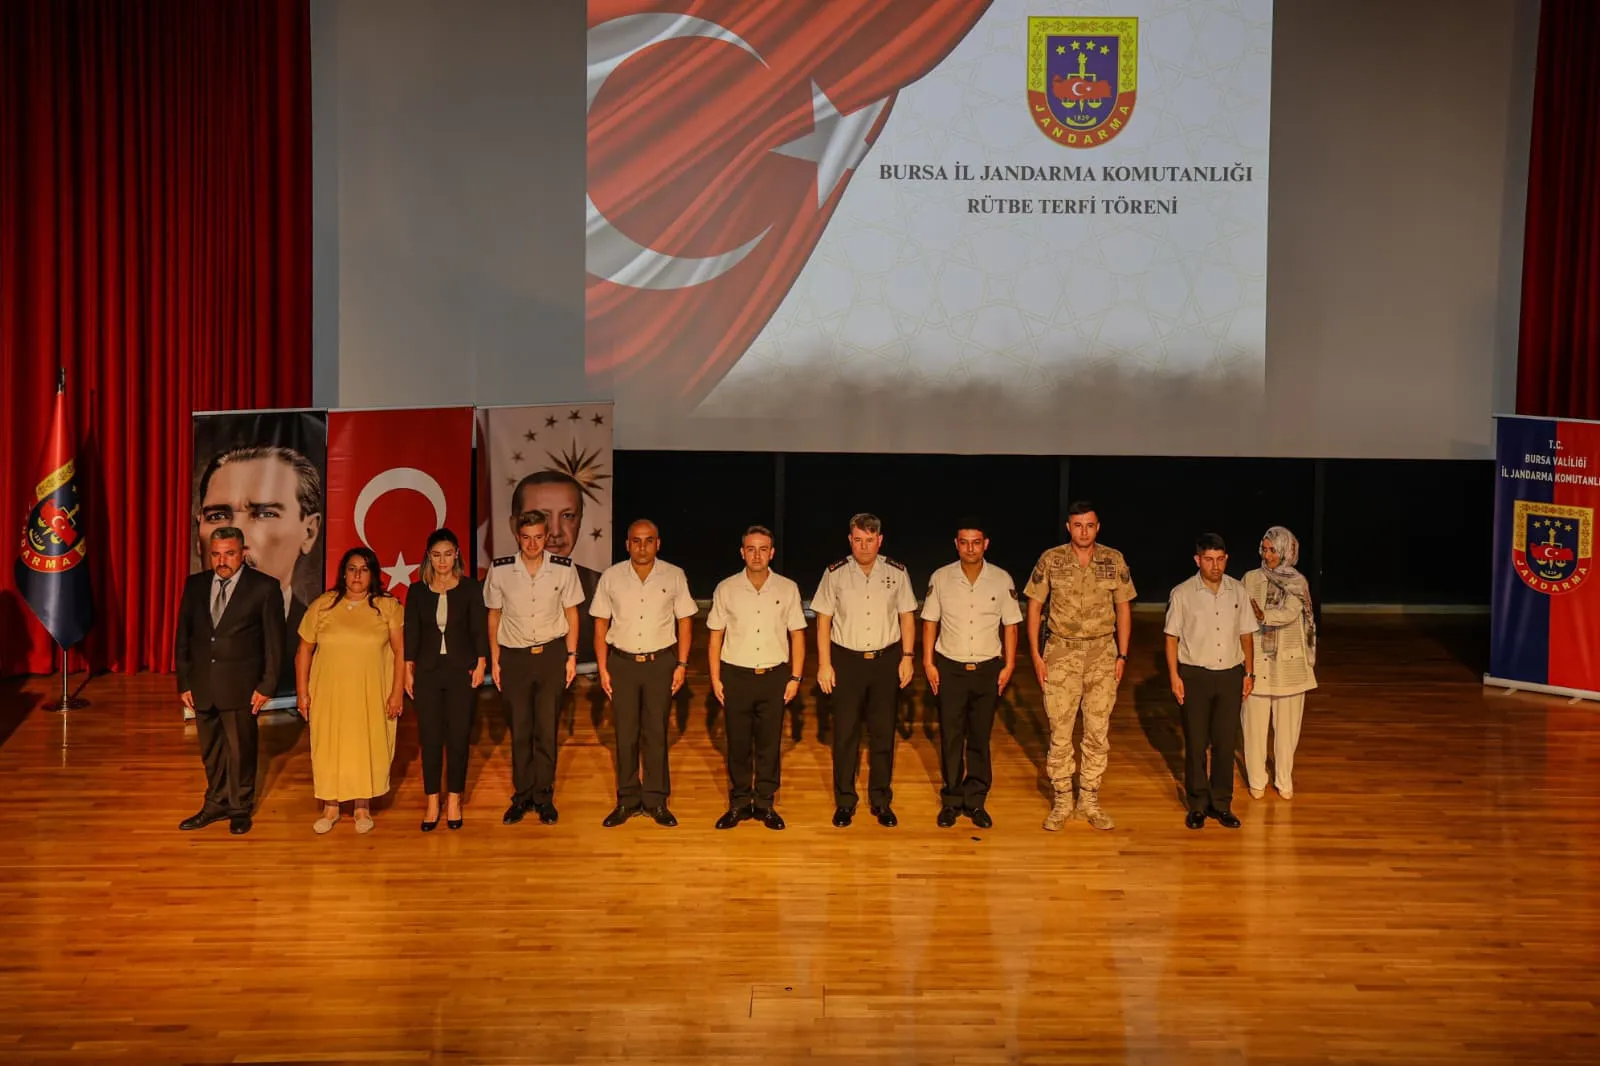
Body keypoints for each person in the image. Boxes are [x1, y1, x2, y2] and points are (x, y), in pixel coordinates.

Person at [1022, 501, 1135, 832]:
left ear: (1097, 527)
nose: (1083, 531)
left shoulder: (1113, 560)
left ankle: (1089, 799)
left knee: (1097, 732)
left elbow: (1124, 608)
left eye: (1089, 525)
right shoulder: (1051, 560)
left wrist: (1122, 655)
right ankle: (1062, 799)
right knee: (1060, 730)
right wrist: (1037, 655)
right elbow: (1034, 608)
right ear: (1068, 528)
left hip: (1102, 653)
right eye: (1077, 525)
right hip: (1061, 654)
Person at [175, 527, 286, 835]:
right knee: (210, 751)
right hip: (202, 685)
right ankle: (215, 803)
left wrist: (267, 686)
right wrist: (184, 681)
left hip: (242, 687)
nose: (222, 561)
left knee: (241, 750)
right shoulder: (195, 585)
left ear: (243, 553)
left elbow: (275, 644)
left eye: (230, 553)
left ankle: (240, 807)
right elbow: (184, 636)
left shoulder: (264, 588)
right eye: (216, 554)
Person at [813, 513, 917, 829]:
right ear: (850, 540)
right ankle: (845, 802)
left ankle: (881, 801)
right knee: (845, 736)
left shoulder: (897, 573)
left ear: (879, 540)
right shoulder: (835, 573)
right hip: (846, 662)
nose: (864, 546)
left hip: (886, 661)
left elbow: (907, 617)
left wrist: (908, 657)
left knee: (883, 736)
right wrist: (824, 664)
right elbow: (823, 621)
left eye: (870, 540)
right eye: (858, 540)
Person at [591, 519, 697, 828]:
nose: (642, 546)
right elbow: (600, 624)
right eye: (636, 541)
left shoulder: (674, 575)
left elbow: (686, 621)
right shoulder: (611, 577)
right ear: (627, 544)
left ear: (658, 543)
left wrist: (681, 664)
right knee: (625, 735)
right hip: (622, 664)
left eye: (648, 540)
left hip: (660, 663)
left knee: (655, 733)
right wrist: (602, 668)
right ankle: (627, 800)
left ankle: (655, 800)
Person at [194, 444, 323, 697]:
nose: (236, 538)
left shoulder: (313, 636)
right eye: (218, 516)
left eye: (264, 513)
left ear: (308, 532)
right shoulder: (194, 604)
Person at [295, 546, 406, 834]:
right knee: (329, 745)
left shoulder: (387, 606)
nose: (357, 575)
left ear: (373, 575)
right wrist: (302, 692)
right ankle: (330, 807)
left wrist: (397, 692)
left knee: (365, 745)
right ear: (343, 573)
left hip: (370, 693)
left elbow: (399, 650)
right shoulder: (324, 605)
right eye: (352, 568)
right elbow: (304, 650)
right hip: (329, 693)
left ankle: (361, 806)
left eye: (364, 569)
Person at [485, 513, 583, 827]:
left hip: (551, 655)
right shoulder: (500, 571)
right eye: (526, 537)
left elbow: (571, 613)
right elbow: (494, 616)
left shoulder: (563, 568)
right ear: (517, 536)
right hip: (514, 657)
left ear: (546, 536)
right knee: (521, 730)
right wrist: (496, 658)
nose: (532, 543)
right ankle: (522, 796)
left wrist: (571, 656)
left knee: (546, 729)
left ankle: (544, 796)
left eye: (538, 537)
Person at [706, 525, 807, 831]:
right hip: (736, 676)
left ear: (772, 553)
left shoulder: (788, 588)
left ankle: (764, 803)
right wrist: (715, 679)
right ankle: (738, 803)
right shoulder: (726, 589)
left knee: (768, 744)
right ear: (742, 552)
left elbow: (798, 636)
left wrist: (796, 677)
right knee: (737, 745)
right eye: (751, 549)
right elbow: (714, 638)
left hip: (774, 677)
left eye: (763, 549)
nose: (757, 555)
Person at [922, 523, 1021, 829]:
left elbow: (1011, 625)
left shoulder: (1001, 579)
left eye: (975, 542)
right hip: (950, 667)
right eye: (964, 542)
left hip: (986, 669)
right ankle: (951, 800)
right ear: (956, 544)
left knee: (979, 737)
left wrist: (1009, 665)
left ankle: (976, 800)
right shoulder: (941, 577)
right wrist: (928, 663)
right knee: (951, 738)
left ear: (986, 544)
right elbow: (929, 622)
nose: (970, 548)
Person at [1164, 533, 1257, 830]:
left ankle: (1222, 804)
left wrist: (1249, 673)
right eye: (1208, 559)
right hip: (1195, 675)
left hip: (1230, 674)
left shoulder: (1238, 591)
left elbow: (1246, 634)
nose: (1214, 566)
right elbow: (1171, 637)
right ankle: (1197, 805)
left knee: (1225, 743)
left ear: (1226, 559)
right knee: (1195, 742)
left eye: (1219, 559)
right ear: (1198, 560)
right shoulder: (1182, 593)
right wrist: (1174, 676)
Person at [404, 529, 489, 832]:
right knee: (429, 739)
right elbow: (410, 633)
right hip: (427, 671)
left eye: (448, 554)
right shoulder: (417, 591)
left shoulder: (470, 589)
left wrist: (481, 663)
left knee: (457, 737)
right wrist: (406, 668)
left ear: (457, 555)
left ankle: (453, 798)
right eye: (436, 555)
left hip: (460, 671)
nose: (442, 561)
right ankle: (431, 801)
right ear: (429, 557)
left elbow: (479, 629)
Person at [1242, 525, 1317, 800]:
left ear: (1286, 551)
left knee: (1287, 729)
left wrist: (1261, 615)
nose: (1268, 554)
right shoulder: (1250, 578)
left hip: (1289, 664)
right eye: (1265, 548)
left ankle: (1284, 779)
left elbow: (1287, 613)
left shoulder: (1297, 582)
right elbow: (1241, 611)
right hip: (1257, 661)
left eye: (1273, 550)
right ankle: (1257, 779)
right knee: (1253, 726)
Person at [510, 471, 601, 663]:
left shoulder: (602, 588)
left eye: (568, 516)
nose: (556, 531)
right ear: (514, 526)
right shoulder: (491, 588)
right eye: (540, 517)